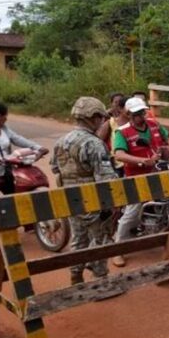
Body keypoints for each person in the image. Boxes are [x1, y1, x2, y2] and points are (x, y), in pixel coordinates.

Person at [50, 97, 119, 285]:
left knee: (78, 238)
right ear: (94, 117)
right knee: (101, 239)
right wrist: (113, 203)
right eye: (101, 118)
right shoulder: (94, 144)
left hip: (71, 199)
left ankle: (76, 276)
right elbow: (106, 178)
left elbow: (55, 168)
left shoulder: (61, 141)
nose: (102, 122)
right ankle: (100, 280)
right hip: (94, 201)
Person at [110, 97, 169, 267]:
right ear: (129, 114)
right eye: (136, 113)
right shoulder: (122, 132)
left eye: (142, 112)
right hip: (137, 178)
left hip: (160, 173)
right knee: (132, 212)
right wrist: (142, 161)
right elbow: (119, 155)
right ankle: (118, 249)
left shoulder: (154, 125)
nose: (140, 116)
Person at [96, 92, 128, 177]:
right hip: (117, 162)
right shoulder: (110, 121)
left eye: (120, 102)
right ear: (111, 104)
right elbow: (98, 140)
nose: (118, 105)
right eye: (115, 102)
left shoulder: (133, 120)